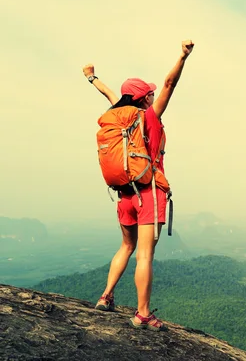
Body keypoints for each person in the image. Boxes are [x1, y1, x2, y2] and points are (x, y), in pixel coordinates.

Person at [82, 40, 195, 331]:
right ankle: (142, 313)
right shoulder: (149, 117)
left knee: (126, 245)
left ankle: (106, 296)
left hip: (124, 194)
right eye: (150, 93)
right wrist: (182, 56)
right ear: (144, 98)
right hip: (149, 192)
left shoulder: (121, 118)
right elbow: (170, 83)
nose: (155, 95)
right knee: (144, 254)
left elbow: (112, 95)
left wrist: (92, 77)